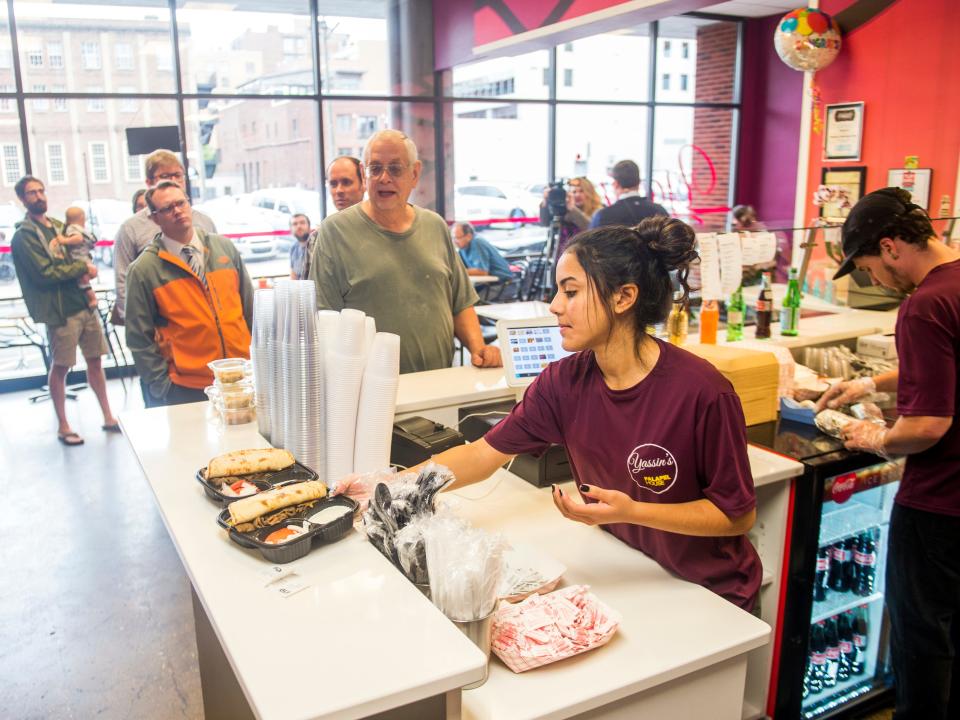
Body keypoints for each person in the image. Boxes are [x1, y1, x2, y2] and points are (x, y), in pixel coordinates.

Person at [416, 216, 762, 611]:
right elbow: (481, 455)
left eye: (571, 291)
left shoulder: (702, 392)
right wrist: (392, 488)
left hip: (710, 594)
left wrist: (633, 512)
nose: (555, 305)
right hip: (635, 575)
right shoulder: (564, 382)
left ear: (623, 297)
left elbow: (736, 516)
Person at [815, 187, 959, 720]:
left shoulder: (924, 303)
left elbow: (927, 425)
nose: (874, 279)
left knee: (923, 640)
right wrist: (871, 384)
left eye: (870, 266)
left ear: (892, 245)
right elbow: (948, 365)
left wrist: (875, 438)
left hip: (940, 505)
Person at [310, 129, 501, 374]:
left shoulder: (435, 226)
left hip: (441, 383)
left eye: (395, 168)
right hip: (369, 395)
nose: (384, 178)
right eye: (375, 168)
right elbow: (325, 321)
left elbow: (460, 303)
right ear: (363, 174)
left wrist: (479, 349)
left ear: (415, 173)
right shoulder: (334, 232)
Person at [10, 176, 120, 445]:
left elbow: (81, 248)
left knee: (95, 359)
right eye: (31, 193)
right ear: (22, 199)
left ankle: (108, 415)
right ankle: (63, 424)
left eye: (40, 191)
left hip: (83, 303)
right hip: (59, 310)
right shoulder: (24, 236)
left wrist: (85, 263)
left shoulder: (59, 226)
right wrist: (82, 269)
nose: (38, 196)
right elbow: (44, 274)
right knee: (61, 366)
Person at [125, 182, 254, 407]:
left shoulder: (224, 249)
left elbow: (250, 310)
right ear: (155, 218)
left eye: (181, 203)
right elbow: (138, 337)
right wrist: (161, 386)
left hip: (240, 379)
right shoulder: (144, 269)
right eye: (167, 208)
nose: (177, 211)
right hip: (186, 387)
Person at [112, 150, 216, 326]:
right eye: (165, 176)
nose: (173, 182)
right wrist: (140, 330)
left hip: (207, 321)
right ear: (149, 183)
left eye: (178, 175)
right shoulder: (131, 229)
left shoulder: (204, 222)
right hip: (161, 325)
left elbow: (217, 269)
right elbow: (124, 287)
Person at [539, 176, 603, 261]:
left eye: (581, 191)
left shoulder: (598, 211)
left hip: (587, 258)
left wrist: (573, 209)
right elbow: (545, 223)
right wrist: (545, 202)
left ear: (589, 193)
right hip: (564, 258)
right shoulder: (564, 211)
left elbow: (591, 229)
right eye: (574, 192)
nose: (577, 195)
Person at [590, 160, 667, 228]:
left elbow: (590, 243)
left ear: (616, 184)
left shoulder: (603, 216)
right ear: (639, 182)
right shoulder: (660, 211)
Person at [61, 206, 99, 309]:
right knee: (85, 280)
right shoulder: (82, 229)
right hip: (85, 257)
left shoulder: (72, 228)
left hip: (79, 259)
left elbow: (78, 238)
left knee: (83, 281)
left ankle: (92, 299)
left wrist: (64, 241)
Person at [288, 213, 311, 280]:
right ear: (291, 230)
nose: (299, 226)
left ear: (309, 227)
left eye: (302, 223)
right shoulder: (293, 248)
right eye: (295, 224)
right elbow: (293, 275)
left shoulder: (317, 246)